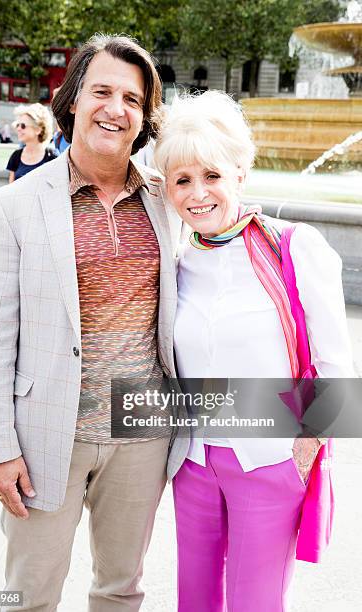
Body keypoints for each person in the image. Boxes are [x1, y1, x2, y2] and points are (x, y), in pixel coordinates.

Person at [0, 34, 181, 612]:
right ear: (72, 100)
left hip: (142, 430)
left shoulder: (168, 200)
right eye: (102, 91)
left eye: (133, 99)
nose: (116, 109)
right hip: (43, 436)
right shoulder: (18, 203)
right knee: (28, 593)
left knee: (120, 588)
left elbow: (224, 223)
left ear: (144, 116)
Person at [154, 91, 355, 612]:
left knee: (255, 602)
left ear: (240, 171)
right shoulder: (177, 262)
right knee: (193, 601)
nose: (198, 193)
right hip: (194, 462)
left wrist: (303, 451)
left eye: (212, 175)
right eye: (182, 180)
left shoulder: (296, 245)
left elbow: (337, 368)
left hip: (269, 462)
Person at [6, 103, 56, 182]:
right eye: (17, 125)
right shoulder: (16, 156)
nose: (18, 129)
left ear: (38, 130)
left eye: (23, 126)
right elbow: (10, 188)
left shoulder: (52, 157)